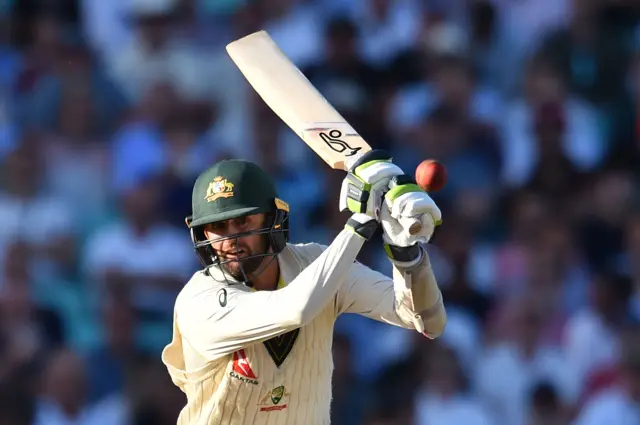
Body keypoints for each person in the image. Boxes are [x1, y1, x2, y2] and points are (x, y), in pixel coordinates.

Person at [161, 151, 447, 424]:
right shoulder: (198, 302)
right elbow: (296, 309)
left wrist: (405, 250)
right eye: (218, 227)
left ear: (272, 219)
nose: (231, 239)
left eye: (242, 221)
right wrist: (362, 220)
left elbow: (425, 319)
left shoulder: (316, 263)